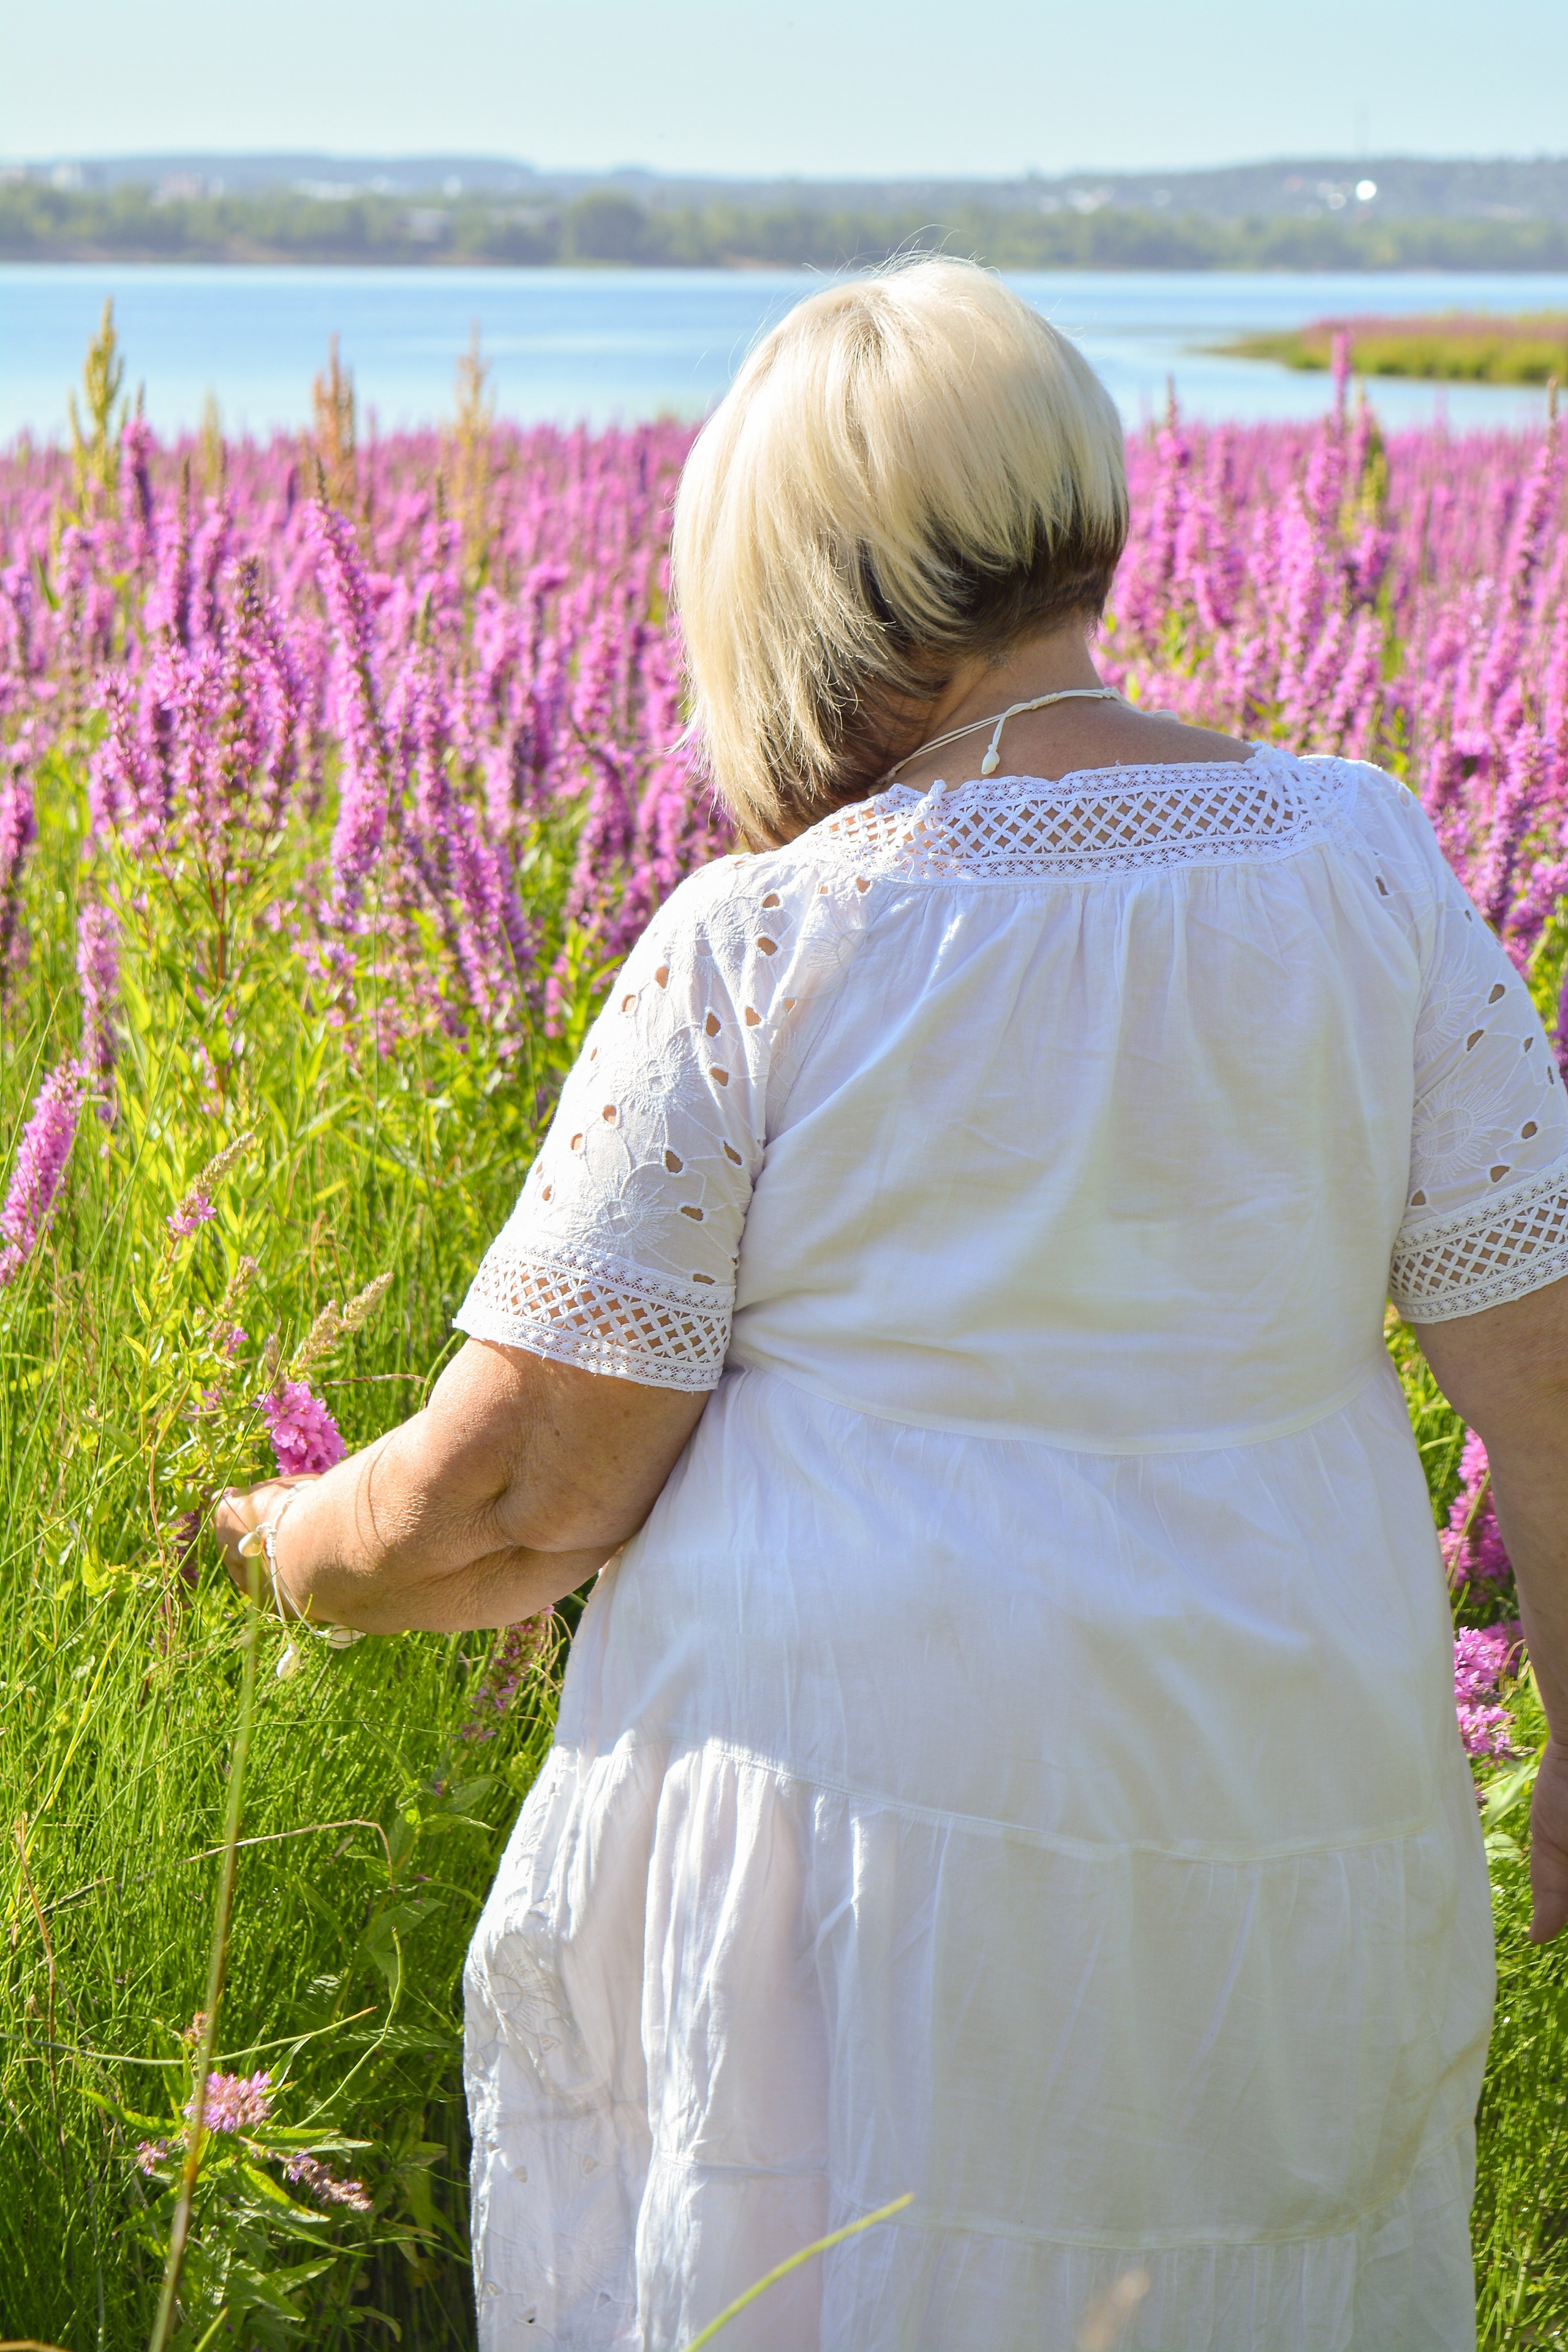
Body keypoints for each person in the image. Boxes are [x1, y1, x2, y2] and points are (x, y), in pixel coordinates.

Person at [218, 257, 1568, 2352]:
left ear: (806, 581)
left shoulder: (763, 937)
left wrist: (290, 1551)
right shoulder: (1365, 860)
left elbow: (520, 1499)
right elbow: (1551, 1390)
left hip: (849, 1851)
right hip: (1280, 1802)